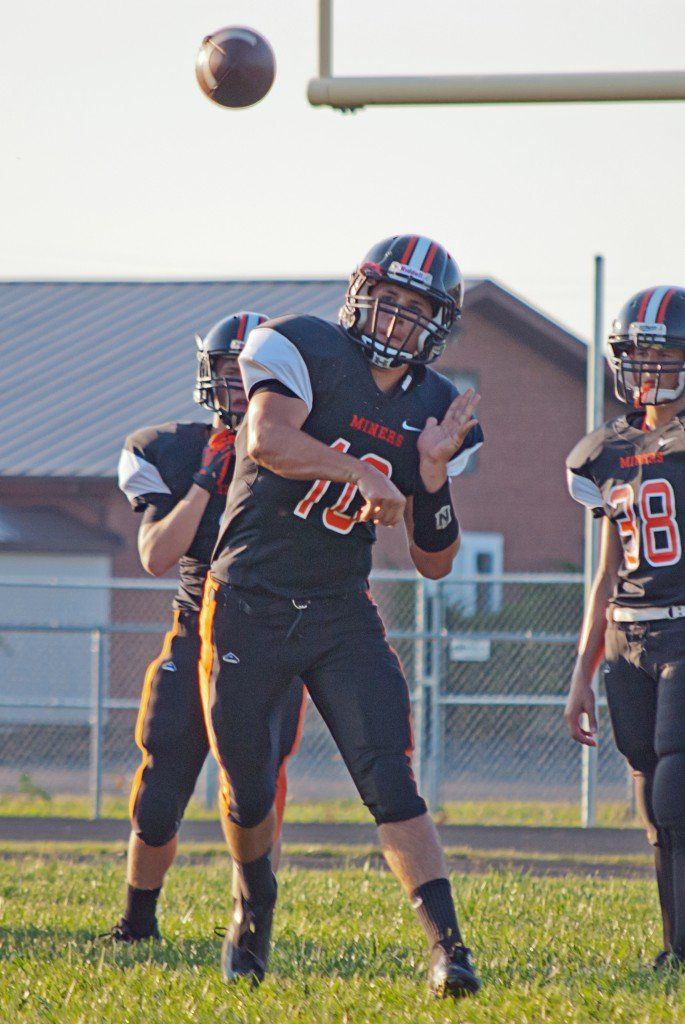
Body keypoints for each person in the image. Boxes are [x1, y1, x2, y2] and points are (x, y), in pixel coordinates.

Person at [199, 235, 485, 997]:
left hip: (337, 609)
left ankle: (448, 949)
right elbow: (267, 439)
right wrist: (359, 469)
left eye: (414, 309)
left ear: (437, 326)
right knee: (248, 787)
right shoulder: (303, 346)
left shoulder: (434, 406)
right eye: (387, 300)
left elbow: (434, 562)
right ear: (359, 295)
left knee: (388, 773)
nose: (395, 320)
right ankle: (252, 902)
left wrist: (430, 476)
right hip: (248, 599)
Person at [105, 312, 306, 942]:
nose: (241, 387)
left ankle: (253, 928)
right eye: (230, 373)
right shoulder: (173, 449)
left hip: (269, 638)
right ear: (208, 377)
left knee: (255, 791)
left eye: (253, 374)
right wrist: (202, 482)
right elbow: (155, 555)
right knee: (160, 785)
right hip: (196, 632)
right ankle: (137, 923)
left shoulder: (302, 448)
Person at [565, 286, 685, 968]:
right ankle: (672, 948)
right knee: (649, 795)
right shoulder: (604, 451)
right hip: (625, 637)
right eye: (639, 355)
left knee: (674, 790)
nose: (650, 369)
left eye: (665, 355)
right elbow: (605, 571)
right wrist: (579, 675)